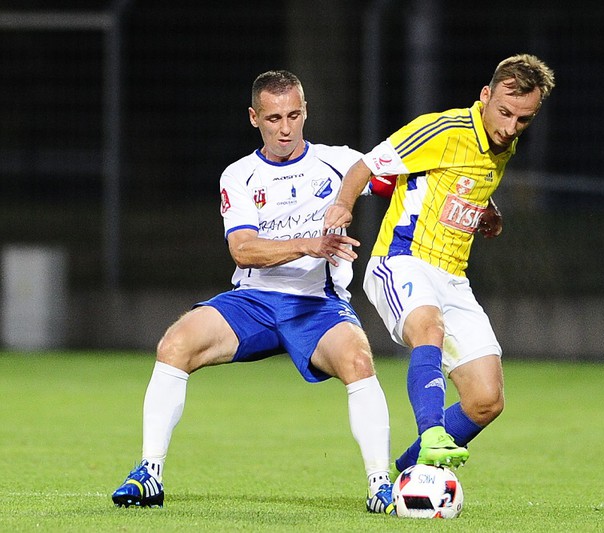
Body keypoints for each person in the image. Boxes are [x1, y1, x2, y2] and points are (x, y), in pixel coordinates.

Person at [112, 70, 398, 514]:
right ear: (253, 117)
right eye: (273, 118)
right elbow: (243, 251)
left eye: (294, 115)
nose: (285, 129)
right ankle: (149, 473)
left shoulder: (341, 162)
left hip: (318, 304)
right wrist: (310, 244)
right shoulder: (239, 175)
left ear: (306, 112)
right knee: (175, 344)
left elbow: (402, 182)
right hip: (254, 301)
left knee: (359, 361)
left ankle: (381, 485)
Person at [324, 54, 555, 476]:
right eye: (503, 112)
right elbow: (367, 165)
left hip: (453, 277)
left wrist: (489, 211)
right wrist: (342, 205)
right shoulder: (444, 130)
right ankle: (432, 434)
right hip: (401, 259)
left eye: (523, 119)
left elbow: (459, 184)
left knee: (486, 400)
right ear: (485, 96)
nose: (509, 127)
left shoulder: (505, 142)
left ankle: (405, 474)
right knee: (428, 327)